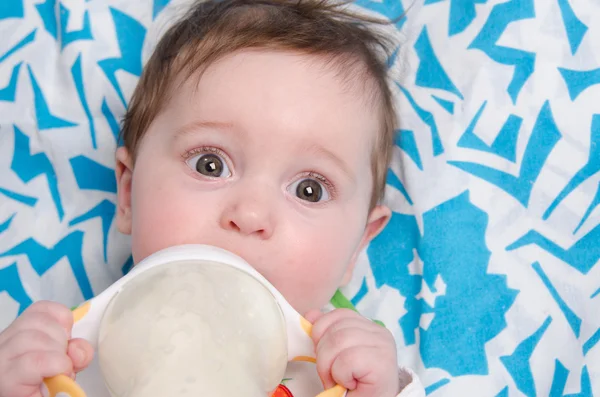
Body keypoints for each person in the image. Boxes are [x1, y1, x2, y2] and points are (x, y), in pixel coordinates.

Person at [0, 0, 424, 396]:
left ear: (358, 245)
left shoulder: (351, 370)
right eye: (210, 164)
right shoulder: (70, 353)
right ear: (128, 193)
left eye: (309, 190)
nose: (251, 213)